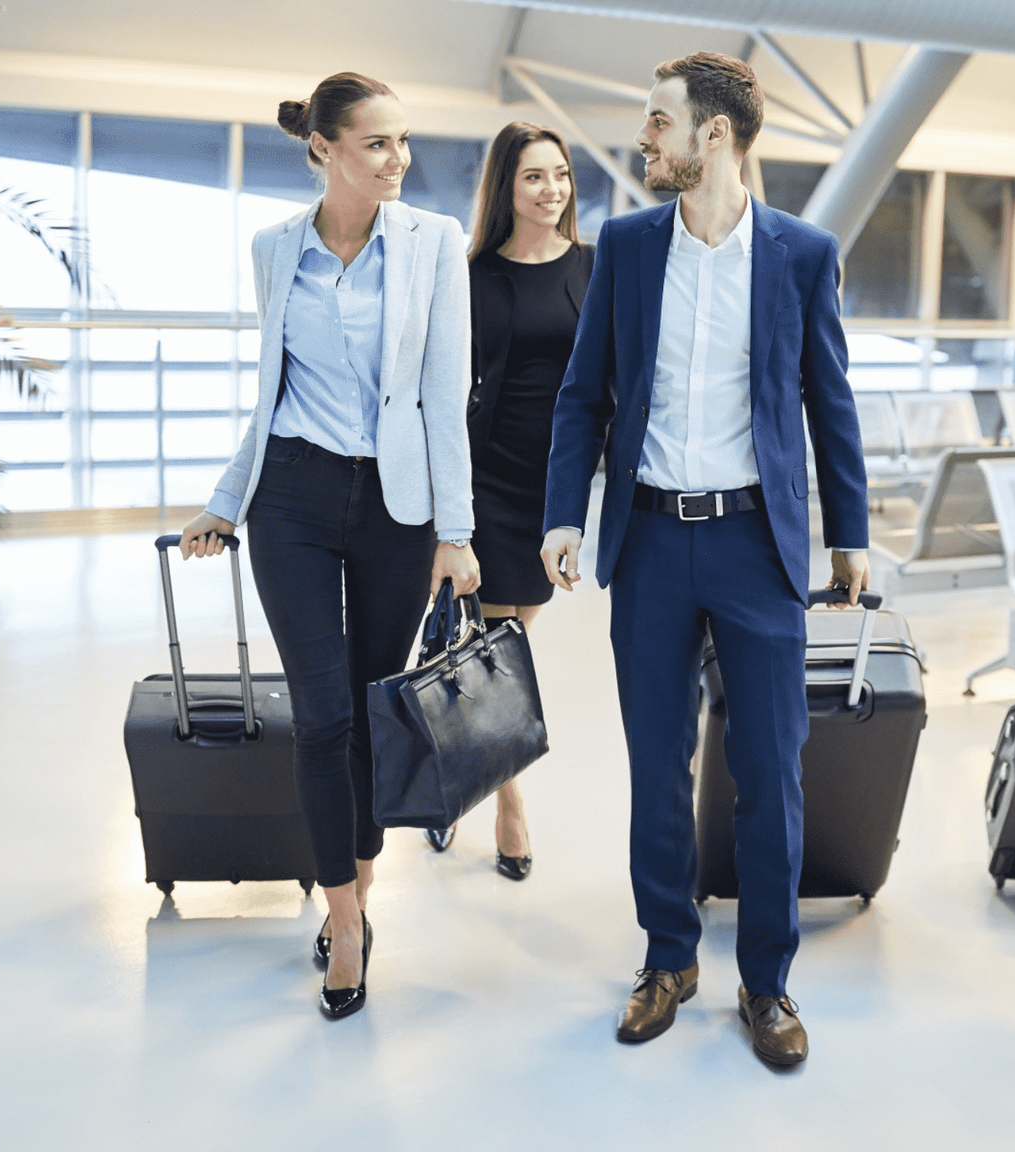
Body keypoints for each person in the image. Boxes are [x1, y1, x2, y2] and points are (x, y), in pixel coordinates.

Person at [540, 52, 868, 1068]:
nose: (647, 139)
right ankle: (667, 956)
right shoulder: (629, 248)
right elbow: (582, 395)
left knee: (771, 769)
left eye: (658, 123)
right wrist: (564, 515)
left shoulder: (802, 254)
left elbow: (829, 398)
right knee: (657, 766)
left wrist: (849, 530)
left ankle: (766, 982)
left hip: (754, 544)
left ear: (713, 135)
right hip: (646, 540)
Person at [176, 72, 478, 1020]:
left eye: (403, 141)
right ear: (324, 149)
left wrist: (457, 532)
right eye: (377, 144)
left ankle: (361, 874)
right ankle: (344, 922)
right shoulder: (274, 249)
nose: (399, 160)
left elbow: (443, 394)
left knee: (366, 703)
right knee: (320, 716)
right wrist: (227, 499)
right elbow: (269, 393)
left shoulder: (434, 243)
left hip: (396, 506)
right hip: (294, 497)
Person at [418, 123, 596, 880]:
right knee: (496, 647)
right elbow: (446, 385)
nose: (551, 190)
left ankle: (466, 764)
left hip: (555, 480)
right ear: (506, 187)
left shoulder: (594, 265)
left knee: (509, 636)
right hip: (487, 476)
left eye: (559, 175)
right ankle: (507, 801)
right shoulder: (472, 274)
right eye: (533, 177)